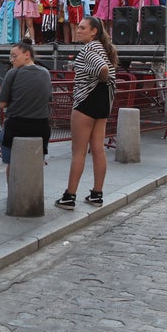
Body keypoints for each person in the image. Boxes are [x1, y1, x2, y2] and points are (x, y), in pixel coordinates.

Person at [54, 17, 117, 210]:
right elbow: (106, 70)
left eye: (82, 28)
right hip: (102, 101)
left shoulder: (89, 49)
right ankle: (97, 194)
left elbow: (103, 69)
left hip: (86, 100)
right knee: (98, 148)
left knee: (79, 151)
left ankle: (69, 196)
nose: (78, 30)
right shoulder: (103, 49)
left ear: (94, 31)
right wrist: (103, 80)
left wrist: (101, 77)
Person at [0, 42, 53, 182]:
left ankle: (12, 190)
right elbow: (48, 98)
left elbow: (2, 104)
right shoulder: (46, 73)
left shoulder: (12, 73)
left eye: (14, 56)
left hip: (16, 126)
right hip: (41, 127)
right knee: (36, 164)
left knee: (11, 163)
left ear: (27, 54)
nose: (12, 60)